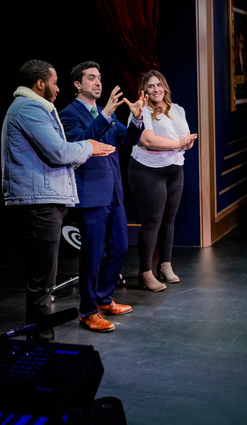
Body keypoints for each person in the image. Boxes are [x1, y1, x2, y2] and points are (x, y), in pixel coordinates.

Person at [1, 59, 115, 341]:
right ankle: (41, 345)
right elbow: (59, 152)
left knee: (44, 282)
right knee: (42, 284)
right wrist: (89, 146)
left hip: (44, 200)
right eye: (54, 82)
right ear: (40, 83)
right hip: (39, 204)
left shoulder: (34, 108)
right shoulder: (29, 108)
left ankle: (41, 342)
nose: (57, 88)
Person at [60, 61, 144, 333]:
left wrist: (137, 120)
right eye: (91, 78)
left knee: (119, 247)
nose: (98, 83)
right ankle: (87, 311)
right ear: (77, 84)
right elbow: (80, 144)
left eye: (99, 78)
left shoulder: (103, 112)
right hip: (91, 193)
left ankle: (104, 298)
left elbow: (125, 140)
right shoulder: (69, 114)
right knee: (92, 254)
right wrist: (105, 114)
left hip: (114, 191)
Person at [127, 70, 198, 292]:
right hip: (147, 171)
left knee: (169, 219)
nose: (156, 89)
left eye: (159, 85)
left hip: (174, 169)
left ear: (165, 87)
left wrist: (184, 143)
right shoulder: (140, 112)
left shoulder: (177, 109)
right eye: (150, 86)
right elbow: (148, 140)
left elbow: (187, 139)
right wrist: (179, 142)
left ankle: (165, 265)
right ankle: (145, 272)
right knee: (152, 221)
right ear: (144, 91)